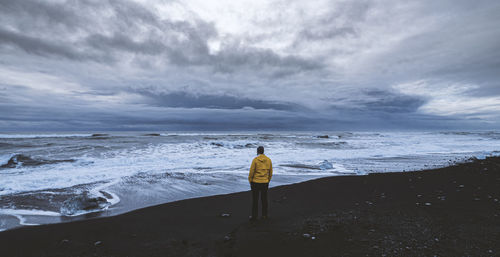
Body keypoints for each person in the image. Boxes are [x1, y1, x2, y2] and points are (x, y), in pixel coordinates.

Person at [248, 146, 273, 221]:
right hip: (265, 182)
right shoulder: (268, 160)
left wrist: (250, 180)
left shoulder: (255, 160)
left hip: (255, 182)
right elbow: (270, 172)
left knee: (255, 200)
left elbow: (251, 171)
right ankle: (264, 215)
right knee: (264, 199)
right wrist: (268, 180)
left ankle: (254, 216)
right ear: (263, 151)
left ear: (257, 151)